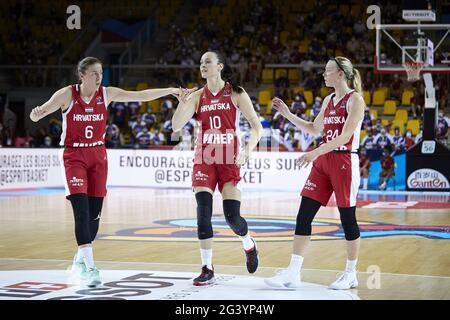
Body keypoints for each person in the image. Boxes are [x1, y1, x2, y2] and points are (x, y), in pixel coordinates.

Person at [29, 57, 184, 287]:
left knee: (94, 220)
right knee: (81, 213)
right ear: (82, 75)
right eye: (94, 73)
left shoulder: (107, 93)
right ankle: (91, 268)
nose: (99, 77)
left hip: (99, 157)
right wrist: (36, 113)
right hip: (74, 157)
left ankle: (79, 258)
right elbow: (40, 112)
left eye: (101, 73)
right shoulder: (67, 95)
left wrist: (170, 90)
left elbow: (139, 95)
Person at [264, 56, 365, 290]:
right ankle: (293, 272)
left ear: (340, 74)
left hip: (344, 161)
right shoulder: (329, 100)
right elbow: (314, 128)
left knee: (347, 219)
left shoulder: (355, 100)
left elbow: (344, 137)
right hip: (323, 161)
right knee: (304, 215)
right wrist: (288, 115)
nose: (323, 74)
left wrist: (313, 153)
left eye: (328, 71)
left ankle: (351, 273)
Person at [171, 51, 263, 286]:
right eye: (201, 63)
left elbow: (257, 128)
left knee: (233, 217)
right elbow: (176, 126)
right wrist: (182, 105)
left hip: (228, 157)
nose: (203, 66)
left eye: (207, 62)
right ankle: (207, 267)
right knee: (203, 211)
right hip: (205, 157)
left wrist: (247, 151)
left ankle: (249, 244)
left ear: (220, 66)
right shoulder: (197, 96)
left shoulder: (236, 92)